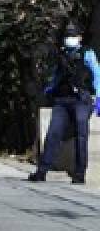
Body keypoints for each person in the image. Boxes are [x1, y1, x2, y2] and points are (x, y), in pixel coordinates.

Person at [29, 22, 100, 184]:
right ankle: (41, 171)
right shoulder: (61, 55)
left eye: (73, 36)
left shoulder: (86, 53)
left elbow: (97, 73)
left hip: (82, 99)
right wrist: (48, 89)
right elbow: (56, 76)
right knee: (53, 133)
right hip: (62, 100)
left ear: (80, 38)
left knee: (81, 135)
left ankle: (79, 173)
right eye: (68, 36)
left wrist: (99, 97)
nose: (70, 39)